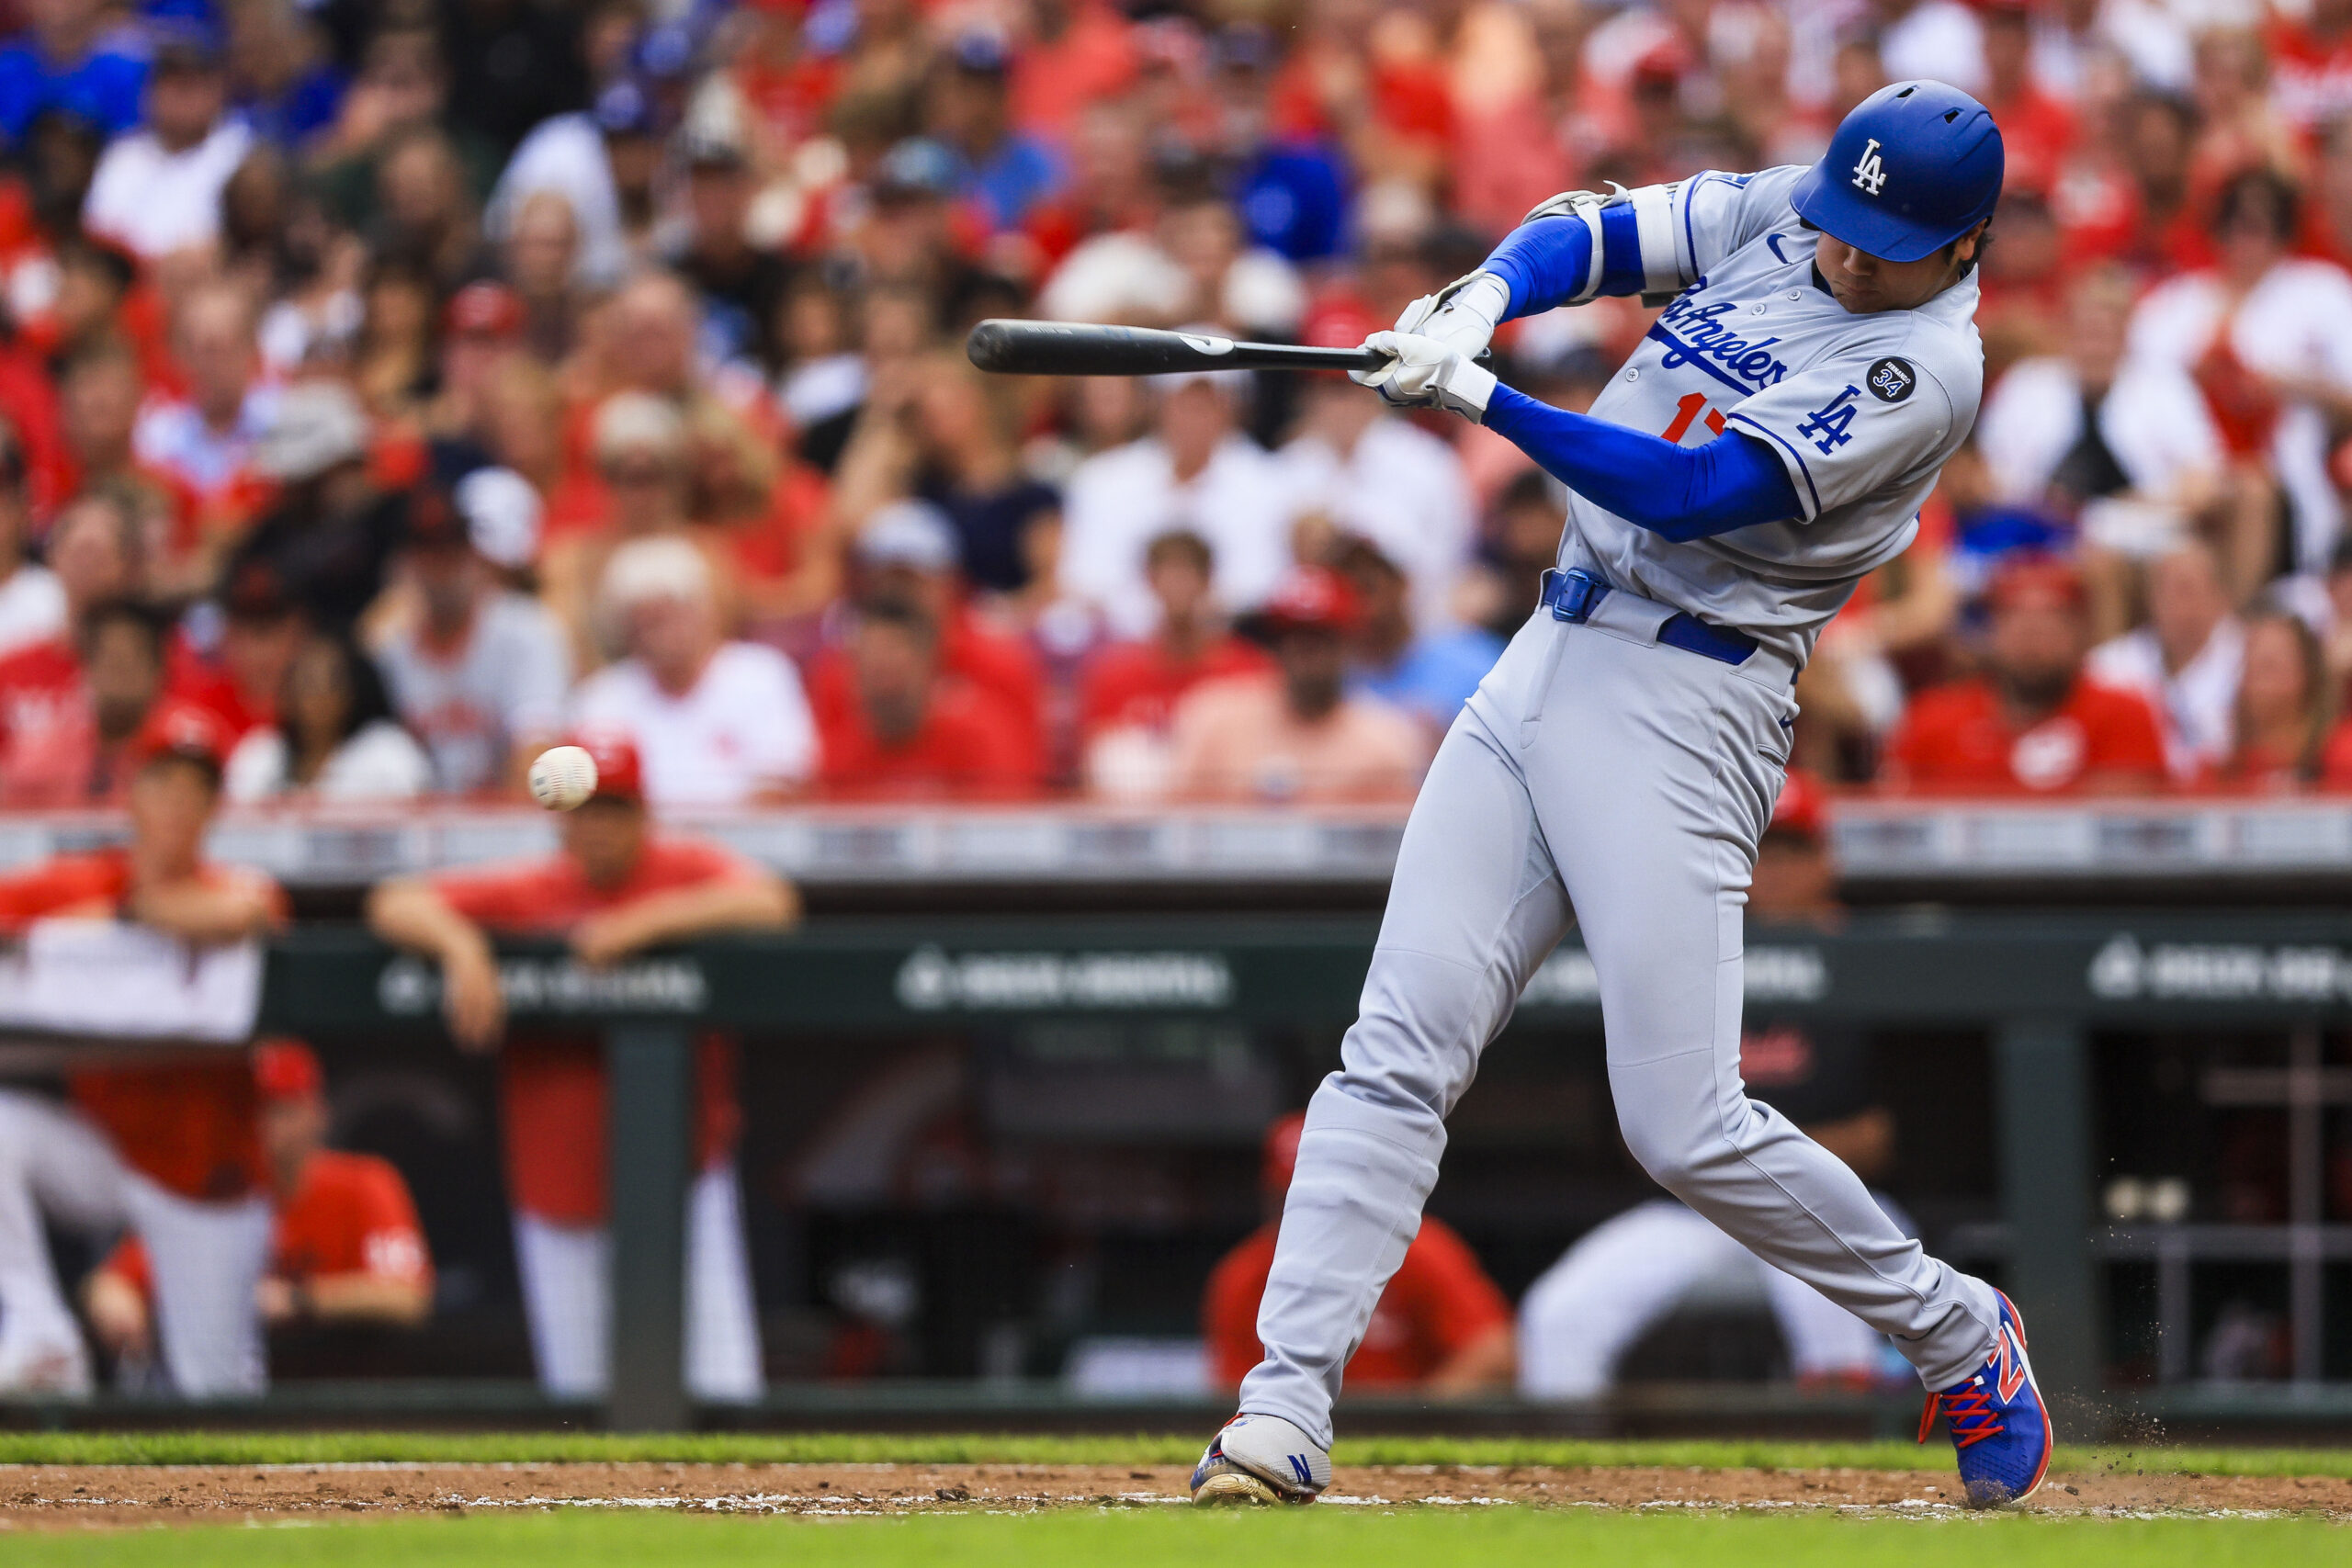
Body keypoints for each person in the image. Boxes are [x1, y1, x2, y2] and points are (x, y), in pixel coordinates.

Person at [1187, 85, 2053, 1511]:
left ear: (1961, 246)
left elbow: (1701, 488)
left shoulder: (1926, 369)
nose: (1843, 254)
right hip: (1547, 651)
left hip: (1690, 696)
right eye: (1842, 222)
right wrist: (1479, 299)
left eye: (1880, 241)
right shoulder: (1806, 208)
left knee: (1684, 1121)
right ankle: (1281, 1408)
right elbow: (1594, 233)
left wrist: (1485, 398)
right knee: (1394, 1046)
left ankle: (1959, 1328)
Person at [366, 731, 795, 1402]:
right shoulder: (530, 887)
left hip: (682, 1173)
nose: (598, 827)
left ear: (642, 814)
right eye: (586, 811)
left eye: (614, 810)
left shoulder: (678, 868)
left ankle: (733, 1510)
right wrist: (460, 947)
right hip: (557, 1185)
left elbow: (773, 902)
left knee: (722, 1386)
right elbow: (392, 901)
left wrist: (645, 923)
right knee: (583, 1398)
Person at [1519, 772, 1905, 1399]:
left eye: (1791, 851)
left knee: (1832, 1307)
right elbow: (1644, 1132)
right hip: (1700, 1208)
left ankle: (1854, 1483)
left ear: (1824, 861)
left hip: (1826, 1202)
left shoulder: (1869, 959)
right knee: (1560, 1315)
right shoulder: (1688, 953)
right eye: (1760, 852)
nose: (1774, 871)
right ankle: (1576, 1488)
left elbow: (1880, 1138)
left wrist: (1736, 1150)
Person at [0, 703, 285, 1397]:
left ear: (215, 805)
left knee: (215, 1394)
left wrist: (120, 916)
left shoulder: (239, 883)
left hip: (204, 1178)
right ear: (131, 791)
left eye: (193, 789)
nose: (175, 803)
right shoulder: (79, 877)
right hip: (106, 1155)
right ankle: (41, 1331)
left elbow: (238, 916)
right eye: (161, 783)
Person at [84, 1039, 434, 1380]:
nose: (263, 1126)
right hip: (241, 1389)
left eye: (280, 1109)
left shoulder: (364, 1182)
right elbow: (112, 1281)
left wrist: (299, 1301)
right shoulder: (208, 1196)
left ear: (318, 1115)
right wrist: (117, 1302)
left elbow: (408, 1298)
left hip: (348, 1392)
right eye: (249, 1109)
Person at [1204, 1111, 1513, 1398]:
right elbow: (1235, 1395)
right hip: (1300, 1438)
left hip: (1409, 1441)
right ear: (1270, 1198)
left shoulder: (1414, 1248)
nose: (1311, 1214)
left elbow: (1494, 1353)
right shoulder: (1244, 1275)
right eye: (1294, 1198)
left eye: (1325, 1197)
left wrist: (1412, 1423)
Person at [1885, 557, 2168, 795]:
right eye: (2017, 622)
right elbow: (1891, 825)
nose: (2032, 640)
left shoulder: (2123, 715)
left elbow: (2137, 830)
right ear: (1992, 631)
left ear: (2081, 632)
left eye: (2050, 623)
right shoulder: (1931, 720)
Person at [571, 536, 818, 807]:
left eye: (671, 614)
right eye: (647, 622)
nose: (661, 635)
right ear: (626, 629)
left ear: (703, 610)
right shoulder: (603, 696)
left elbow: (781, 783)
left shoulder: (763, 675)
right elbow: (595, 804)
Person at [1058, 365, 1294, 639]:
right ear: (1160, 405)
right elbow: (1086, 582)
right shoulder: (1102, 480)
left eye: (1208, 405)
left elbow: (1263, 586)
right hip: (1124, 649)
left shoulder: (1269, 484)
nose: (1195, 417)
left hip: (1228, 647)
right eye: (1184, 403)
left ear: (1232, 410)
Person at [376, 468, 572, 795]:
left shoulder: (525, 630)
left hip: (503, 827)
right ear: (406, 563)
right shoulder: (390, 648)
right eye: (427, 554)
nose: (440, 569)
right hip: (421, 832)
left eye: (452, 552)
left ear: (473, 555)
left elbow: (538, 755)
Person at [1166, 565, 1428, 803]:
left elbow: (1395, 848)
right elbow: (1178, 824)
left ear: (1349, 643)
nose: (1307, 650)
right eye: (1294, 636)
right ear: (1276, 645)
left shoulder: (1386, 739)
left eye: (1322, 637)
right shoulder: (1215, 719)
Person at [1080, 530, 1272, 798]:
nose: (1177, 586)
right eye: (1168, 574)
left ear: (1208, 580)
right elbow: (1094, 771)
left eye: (1187, 574)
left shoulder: (1248, 671)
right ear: (1150, 581)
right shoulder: (1114, 672)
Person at [815, 598, 1040, 799]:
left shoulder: (979, 738)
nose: (879, 672)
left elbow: (1004, 825)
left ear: (928, 665)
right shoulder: (839, 752)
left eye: (892, 663)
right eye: (869, 664)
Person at [80, 20, 254, 262]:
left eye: (187, 86)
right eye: (165, 84)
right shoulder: (124, 152)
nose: (175, 98)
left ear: (217, 89)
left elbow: (224, 246)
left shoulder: (239, 152)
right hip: (121, 284)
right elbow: (97, 231)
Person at [2085, 540, 2247, 781]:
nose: (2176, 602)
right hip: (2140, 798)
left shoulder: (2248, 657)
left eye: (2187, 589)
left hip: (2225, 795)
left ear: (2221, 596)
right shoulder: (2111, 665)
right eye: (2165, 588)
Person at [222, 631, 431, 803]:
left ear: (352, 690)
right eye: (308, 681)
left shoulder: (386, 753)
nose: (319, 695)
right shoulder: (261, 756)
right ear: (288, 692)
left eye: (332, 682)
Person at [1332, 535, 1506, 738]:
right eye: (1344, 590)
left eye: (1366, 587)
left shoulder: (1479, 663)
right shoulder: (1329, 679)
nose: (1357, 604)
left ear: (1402, 582)